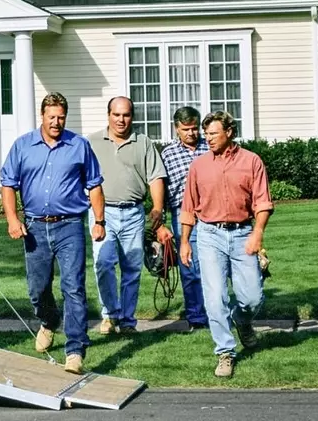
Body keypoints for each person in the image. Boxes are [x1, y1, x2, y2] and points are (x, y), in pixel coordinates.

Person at [0, 92, 106, 375]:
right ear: (42, 116)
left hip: (70, 225)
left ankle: (75, 351)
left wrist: (99, 220)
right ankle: (48, 321)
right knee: (37, 289)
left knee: (73, 287)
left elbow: (94, 184)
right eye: (52, 117)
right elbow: (8, 184)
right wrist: (12, 219)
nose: (56, 122)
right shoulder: (23, 146)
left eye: (61, 117)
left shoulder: (79, 146)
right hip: (34, 226)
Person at [180, 111, 273, 378]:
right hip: (209, 235)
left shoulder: (251, 161)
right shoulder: (199, 165)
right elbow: (189, 206)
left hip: (243, 232)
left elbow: (263, 203)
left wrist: (258, 234)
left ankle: (242, 321)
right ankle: (225, 352)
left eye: (213, 134)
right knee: (214, 297)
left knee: (252, 297)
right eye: (206, 134)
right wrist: (185, 241)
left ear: (229, 132)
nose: (207, 138)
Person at [87, 96, 167, 334]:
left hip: (133, 213)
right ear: (108, 115)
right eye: (117, 115)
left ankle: (128, 321)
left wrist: (157, 208)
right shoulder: (91, 142)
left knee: (131, 268)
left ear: (132, 116)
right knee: (103, 263)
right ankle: (110, 315)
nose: (121, 120)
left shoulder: (144, 143)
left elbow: (156, 177)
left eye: (126, 115)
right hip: (102, 213)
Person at [160, 106, 210, 331]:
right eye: (185, 129)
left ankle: (215, 312)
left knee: (211, 265)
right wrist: (161, 220)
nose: (191, 133)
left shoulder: (209, 147)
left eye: (194, 128)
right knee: (189, 266)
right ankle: (196, 317)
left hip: (209, 211)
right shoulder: (168, 154)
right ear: (176, 129)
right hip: (182, 212)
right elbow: (163, 188)